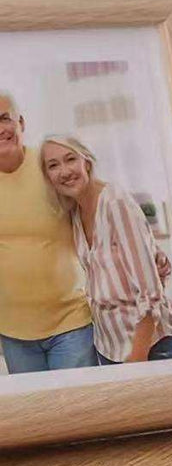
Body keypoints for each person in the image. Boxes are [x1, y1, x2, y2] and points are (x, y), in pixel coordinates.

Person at [39, 136, 172, 364]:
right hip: (108, 344)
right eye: (53, 165)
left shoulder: (115, 203)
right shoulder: (74, 213)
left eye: (70, 159)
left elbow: (150, 293)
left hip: (146, 343)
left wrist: (138, 356)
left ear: (87, 162)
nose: (64, 171)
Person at [0, 91, 95, 373]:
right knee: (41, 416)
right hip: (13, 331)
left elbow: (94, 205)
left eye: (4, 118)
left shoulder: (50, 165)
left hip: (71, 322)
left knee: (79, 412)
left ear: (21, 123)